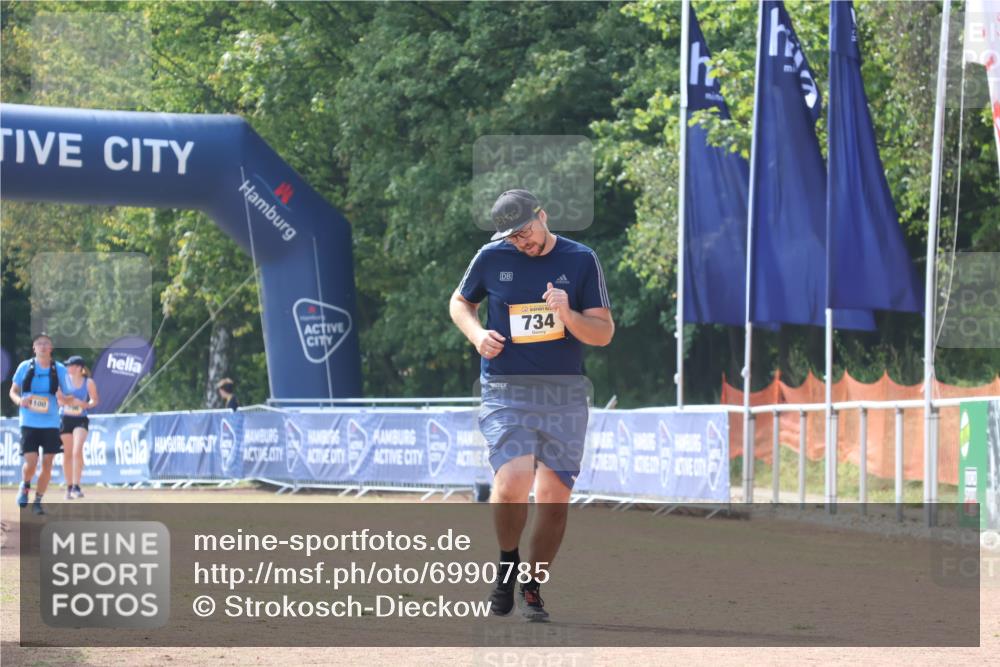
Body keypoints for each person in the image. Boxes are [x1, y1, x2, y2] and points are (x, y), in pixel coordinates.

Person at [449, 189, 614, 621]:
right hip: (507, 387)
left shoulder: (581, 260)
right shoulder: (491, 257)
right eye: (513, 237)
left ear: (543, 215)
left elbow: (602, 333)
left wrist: (568, 316)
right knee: (513, 479)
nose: (522, 242)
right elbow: (460, 301)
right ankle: (507, 562)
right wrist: (476, 334)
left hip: (564, 393)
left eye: (526, 232)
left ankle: (533, 586)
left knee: (554, 500)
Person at [8, 334, 85, 515]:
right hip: (28, 421)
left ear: (51, 349)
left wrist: (63, 398)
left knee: (48, 463)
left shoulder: (59, 369)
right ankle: (25, 485)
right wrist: (20, 401)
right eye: (39, 344)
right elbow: (13, 391)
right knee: (31, 463)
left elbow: (68, 397)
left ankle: (38, 501)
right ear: (34, 348)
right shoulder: (24, 367)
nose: (42, 347)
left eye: (46, 344)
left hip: (50, 423)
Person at [59, 355, 99, 499]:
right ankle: (69, 487)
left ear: (78, 368)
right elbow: (58, 399)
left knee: (77, 451)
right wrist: (68, 401)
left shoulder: (88, 382)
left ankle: (76, 486)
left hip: (81, 419)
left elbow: (95, 400)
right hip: (65, 419)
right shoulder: (63, 381)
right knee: (68, 454)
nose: (67, 367)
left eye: (69, 365)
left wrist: (85, 405)